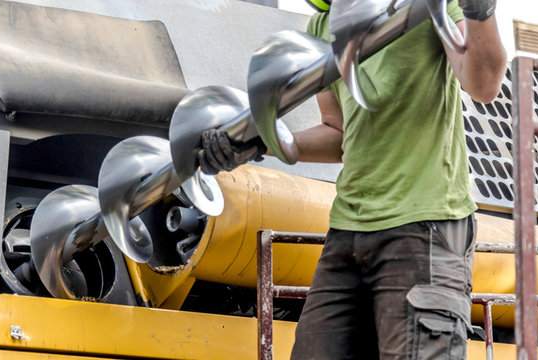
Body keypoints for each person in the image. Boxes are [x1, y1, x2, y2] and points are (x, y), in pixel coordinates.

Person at [197, 0, 506, 358]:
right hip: (348, 230)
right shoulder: (323, 26)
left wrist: (480, 9)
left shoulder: (429, 4)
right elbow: (338, 131)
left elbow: (483, 85)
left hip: (425, 225)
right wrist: (260, 142)